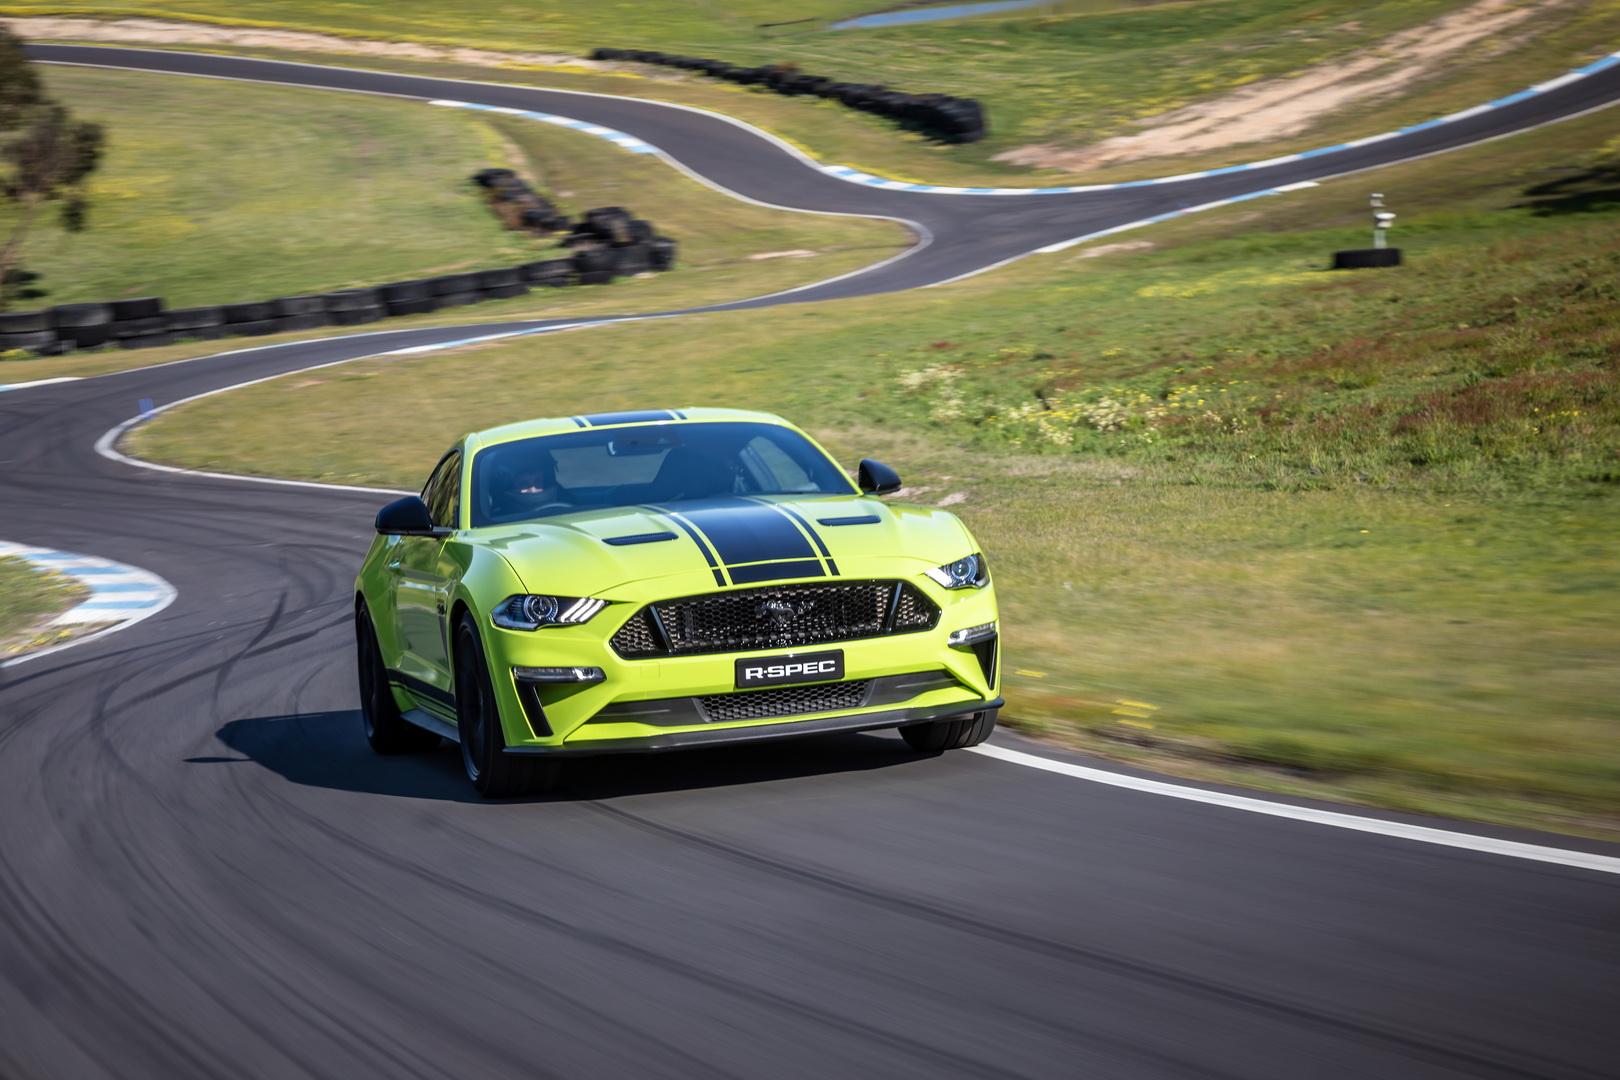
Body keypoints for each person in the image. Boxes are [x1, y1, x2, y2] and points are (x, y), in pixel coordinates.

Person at [495, 454, 570, 518]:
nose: (533, 489)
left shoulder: (568, 503)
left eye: (537, 481)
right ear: (511, 486)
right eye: (524, 483)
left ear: (545, 482)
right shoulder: (498, 518)